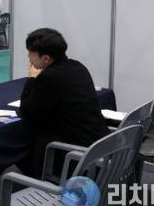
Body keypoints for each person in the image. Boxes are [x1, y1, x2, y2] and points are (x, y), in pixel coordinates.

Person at [17, 28, 109, 179]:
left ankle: (43, 179)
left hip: (74, 154)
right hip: (99, 145)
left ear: (46, 58)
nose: (28, 57)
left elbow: (27, 110)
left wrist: (32, 78)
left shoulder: (50, 77)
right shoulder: (77, 66)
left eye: (30, 53)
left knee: (23, 143)